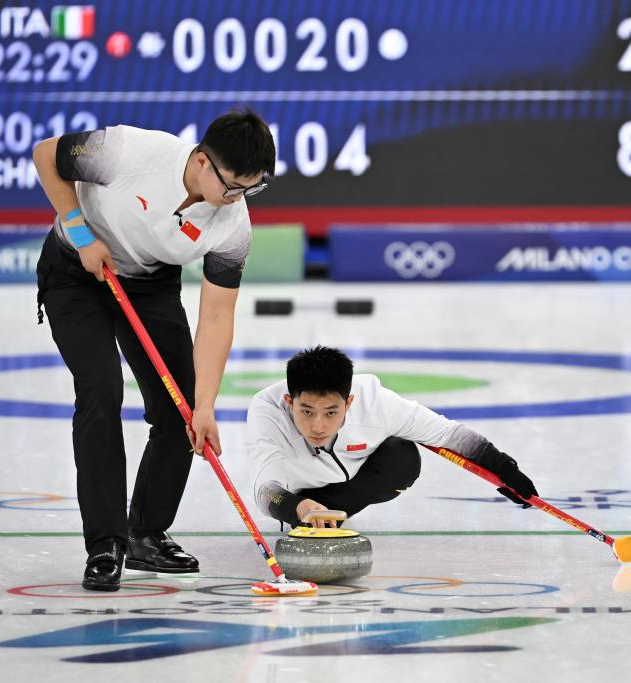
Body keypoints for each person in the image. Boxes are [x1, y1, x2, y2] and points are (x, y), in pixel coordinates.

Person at [32, 109, 276, 591]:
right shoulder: (127, 152)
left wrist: (204, 405)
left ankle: (144, 532)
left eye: (250, 189)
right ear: (202, 161)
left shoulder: (233, 226)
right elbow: (45, 156)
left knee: (179, 406)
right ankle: (105, 543)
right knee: (101, 389)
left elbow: (216, 316)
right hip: (77, 272)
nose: (236, 199)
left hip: (149, 285)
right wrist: (81, 233)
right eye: (232, 186)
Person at [246, 346, 538, 529]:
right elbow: (265, 490)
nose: (318, 426)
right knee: (296, 504)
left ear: (349, 402)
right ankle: (311, 514)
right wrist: (297, 507)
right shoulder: (268, 413)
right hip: (299, 495)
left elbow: (448, 434)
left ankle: (329, 511)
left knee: (402, 456)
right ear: (289, 402)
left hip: (355, 485)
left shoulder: (375, 402)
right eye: (307, 412)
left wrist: (504, 469)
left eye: (331, 412)